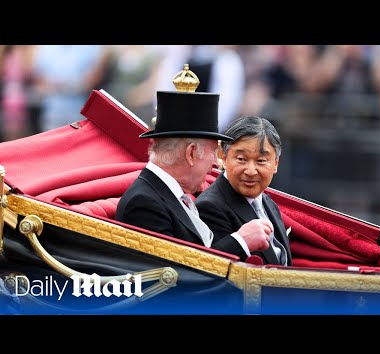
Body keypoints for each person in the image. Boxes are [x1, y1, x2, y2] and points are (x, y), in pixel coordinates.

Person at [115, 72, 273, 256]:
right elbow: (176, 274)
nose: (216, 162)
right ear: (190, 153)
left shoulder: (168, 194)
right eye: (213, 152)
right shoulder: (144, 203)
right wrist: (240, 242)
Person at [195, 116, 292, 266]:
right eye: (241, 159)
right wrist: (240, 242)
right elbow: (209, 268)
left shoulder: (267, 202)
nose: (251, 171)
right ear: (224, 157)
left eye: (261, 161)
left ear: (275, 164)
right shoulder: (210, 207)